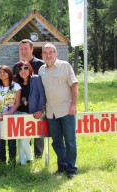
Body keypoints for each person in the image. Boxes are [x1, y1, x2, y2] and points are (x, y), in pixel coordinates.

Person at [38, 43, 78, 178]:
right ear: (42, 55)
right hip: (50, 112)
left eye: (51, 52)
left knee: (70, 141)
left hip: (66, 110)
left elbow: (74, 85)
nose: (48, 55)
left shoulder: (65, 66)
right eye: (45, 53)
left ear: (56, 53)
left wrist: (74, 104)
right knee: (56, 142)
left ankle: (71, 169)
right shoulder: (41, 70)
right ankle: (62, 166)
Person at [12, 39, 45, 159]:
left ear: (32, 49)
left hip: (37, 105)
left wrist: (41, 107)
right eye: (21, 49)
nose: (24, 51)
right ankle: (25, 157)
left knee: (38, 133)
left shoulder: (41, 64)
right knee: (24, 135)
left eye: (26, 49)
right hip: (21, 106)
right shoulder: (16, 66)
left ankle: (38, 156)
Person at [0, 65, 21, 165]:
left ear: (9, 73)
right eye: (0, 72)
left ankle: (12, 163)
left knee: (12, 143)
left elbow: (17, 103)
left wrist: (8, 113)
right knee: (0, 142)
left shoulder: (16, 86)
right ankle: (2, 163)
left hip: (11, 118)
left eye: (4, 72)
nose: (2, 74)